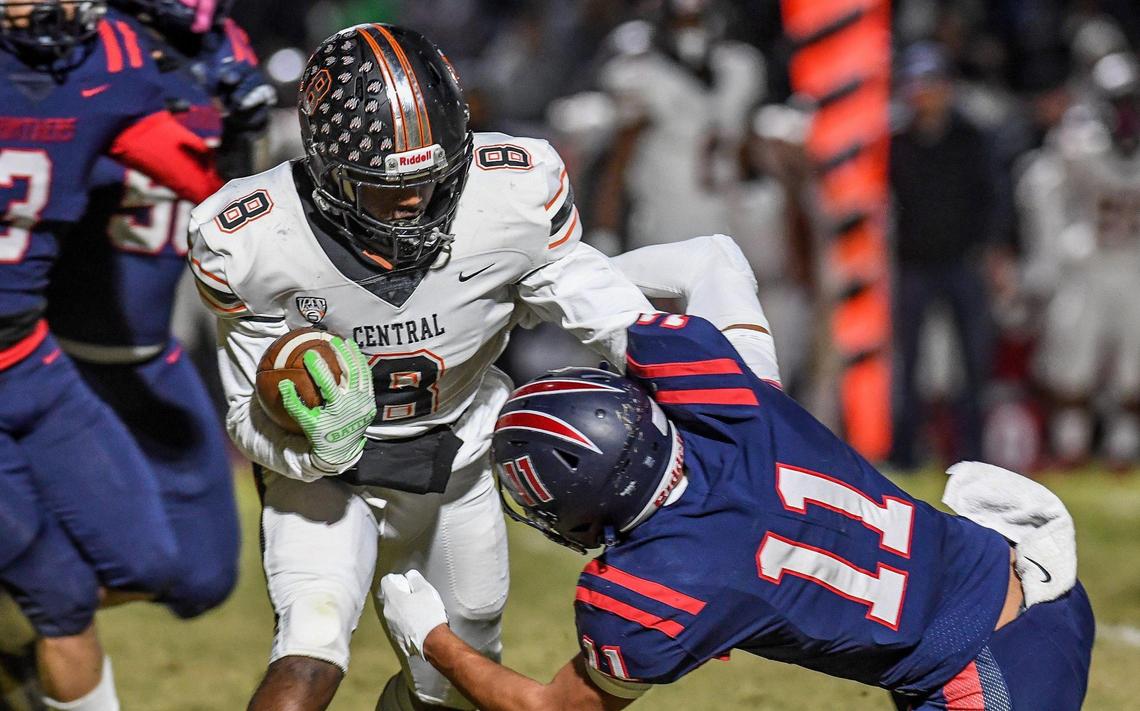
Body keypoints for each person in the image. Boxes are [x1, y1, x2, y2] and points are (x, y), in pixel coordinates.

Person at [378, 239, 1094, 711]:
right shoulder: (733, 401)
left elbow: (551, 708)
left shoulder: (653, 582)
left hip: (988, 676)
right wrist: (528, 293)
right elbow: (711, 259)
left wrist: (432, 636)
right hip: (1021, 573)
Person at [187, 22, 656, 711]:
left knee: (450, 690)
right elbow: (244, 415)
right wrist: (316, 448)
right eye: (386, 188)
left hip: (455, 463)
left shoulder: (512, 194)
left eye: (433, 180)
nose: (413, 202)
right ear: (327, 173)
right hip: (330, 481)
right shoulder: (252, 238)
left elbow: (611, 314)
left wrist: (695, 387)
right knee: (310, 655)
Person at [0, 0, 224, 707]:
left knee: (148, 561)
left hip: (30, 359)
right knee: (62, 595)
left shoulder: (109, 58)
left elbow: (202, 180)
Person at [42, 0, 274, 624]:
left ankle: (28, 623)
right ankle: (36, 628)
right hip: (51, 354)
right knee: (44, 559)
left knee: (202, 576)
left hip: (147, 354)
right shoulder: (78, 45)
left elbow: (238, 204)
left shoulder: (223, 47)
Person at [888, 41, 1011, 469]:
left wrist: (994, 251)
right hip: (912, 263)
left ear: (947, 87)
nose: (923, 92)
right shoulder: (895, 142)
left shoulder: (972, 137)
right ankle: (905, 450)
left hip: (963, 261)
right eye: (915, 83)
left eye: (931, 83)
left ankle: (972, 453)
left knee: (973, 363)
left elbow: (994, 197)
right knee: (908, 363)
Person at [1030, 51, 1140, 467]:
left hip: (1133, 264)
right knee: (1073, 360)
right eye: (1118, 100)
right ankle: (1071, 446)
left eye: (1130, 100)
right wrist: (1054, 250)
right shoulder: (1078, 143)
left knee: (1133, 365)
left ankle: (1123, 450)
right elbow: (1042, 190)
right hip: (1090, 264)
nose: (1125, 111)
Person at [592, 0, 765, 253]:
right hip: (665, 221)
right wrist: (605, 229)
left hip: (726, 217)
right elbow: (618, 161)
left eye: (696, 20)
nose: (690, 32)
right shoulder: (643, 75)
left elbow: (744, 150)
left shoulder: (739, 68)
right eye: (682, 21)